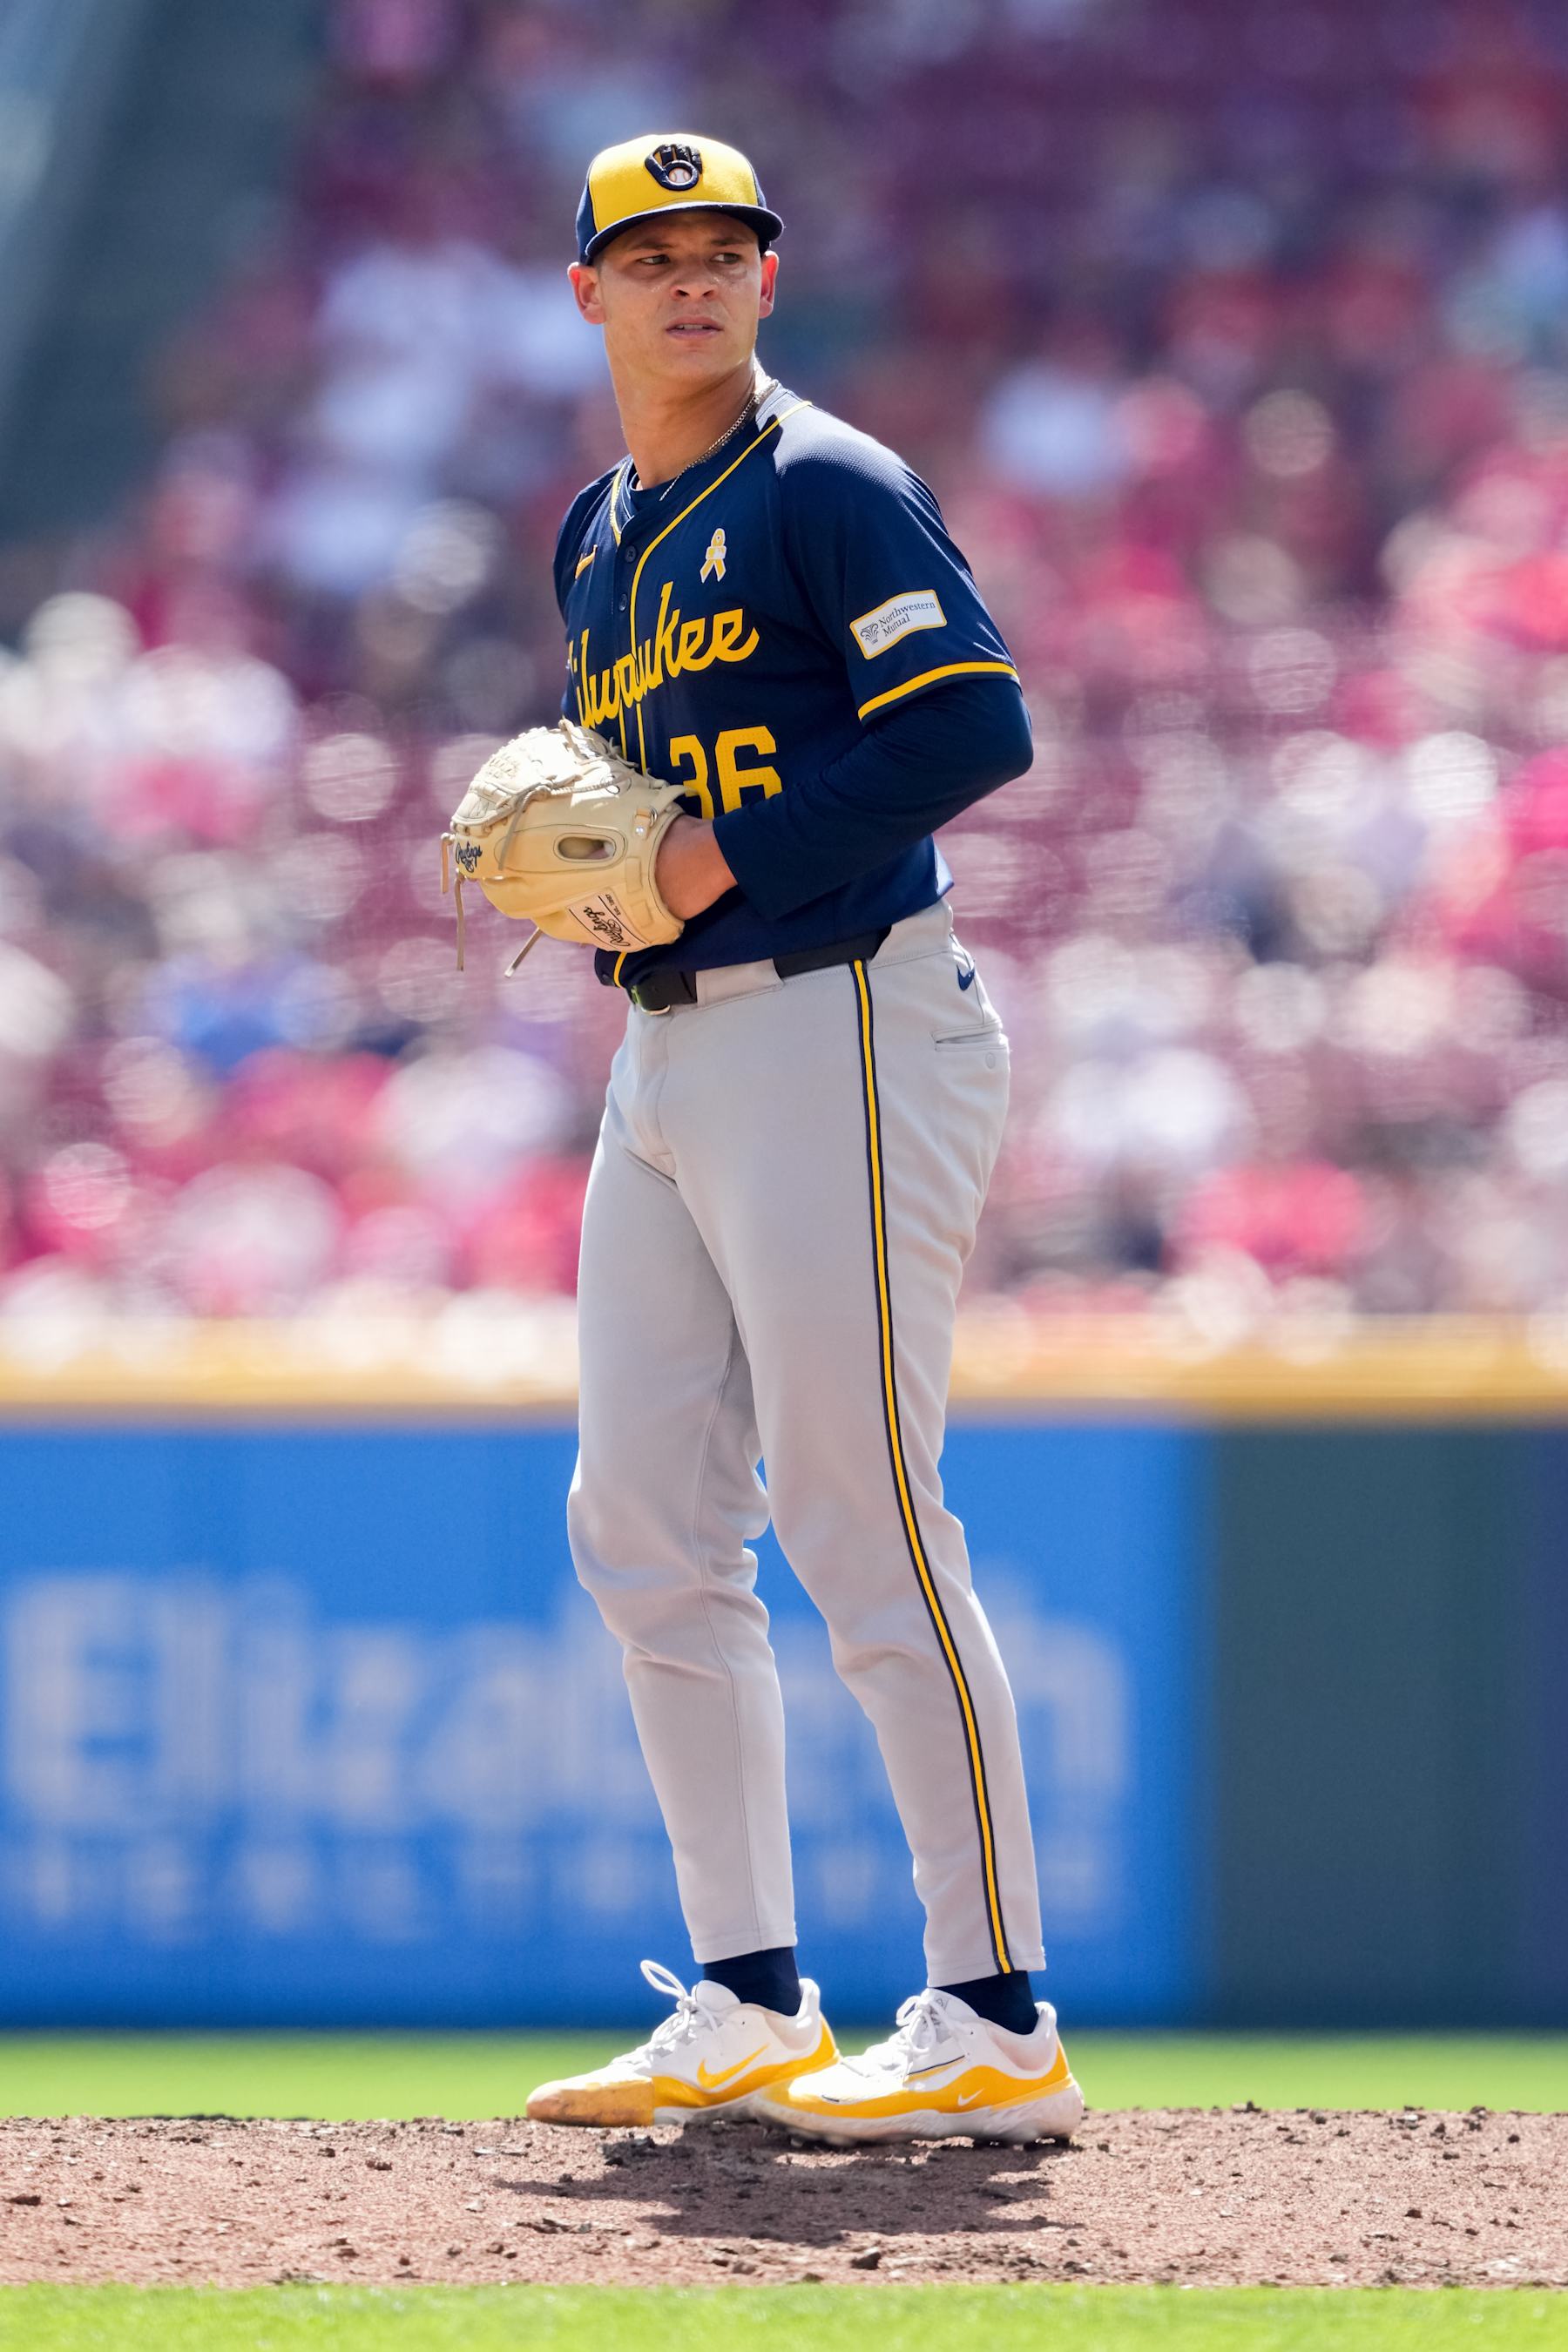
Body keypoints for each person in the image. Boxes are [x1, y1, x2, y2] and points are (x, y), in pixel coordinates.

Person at [525, 132, 1084, 2146]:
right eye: (649, 253)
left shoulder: (826, 483)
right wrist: (594, 857)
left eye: (725, 249)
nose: (692, 279)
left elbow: (971, 731)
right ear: (587, 293)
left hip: (841, 1010)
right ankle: (748, 1997)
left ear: (770, 278)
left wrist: (701, 853)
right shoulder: (599, 532)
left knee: (857, 1510)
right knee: (644, 1525)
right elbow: (639, 805)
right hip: (669, 1051)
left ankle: (995, 2012)